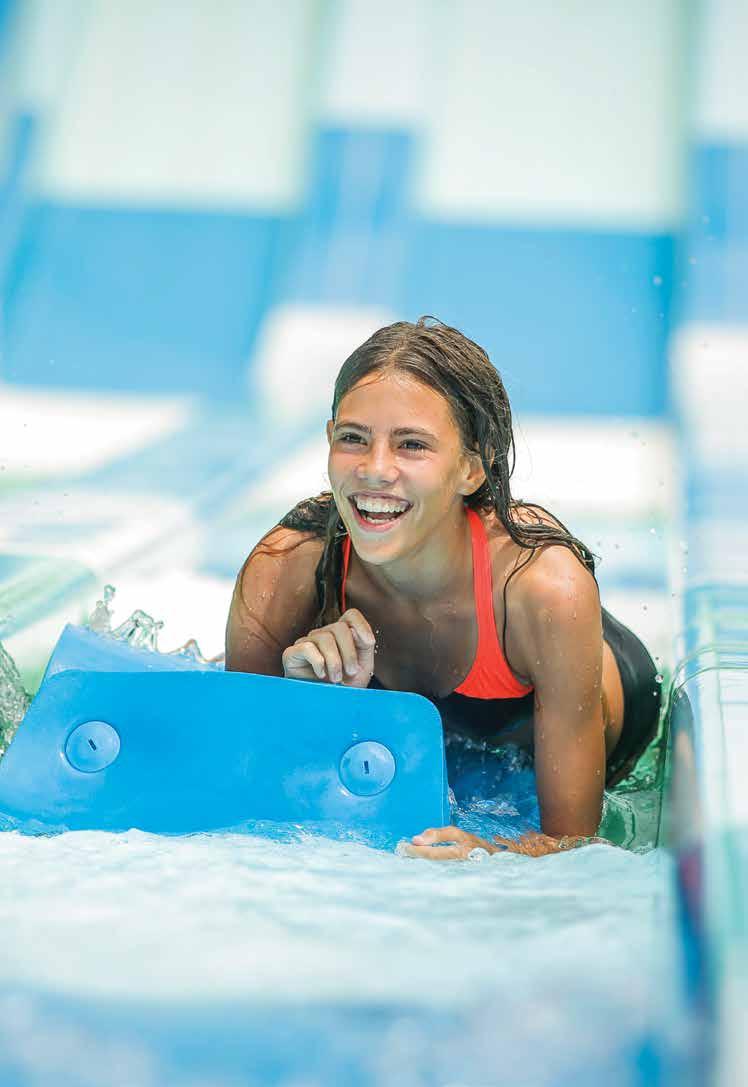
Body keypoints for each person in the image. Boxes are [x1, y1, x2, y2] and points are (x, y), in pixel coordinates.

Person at [226, 318, 661, 860]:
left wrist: (491, 853)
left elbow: (572, 841)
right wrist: (311, 705)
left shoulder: (544, 589)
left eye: (412, 445)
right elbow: (240, 781)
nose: (375, 470)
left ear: (472, 468)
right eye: (353, 439)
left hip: (590, 691)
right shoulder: (287, 566)